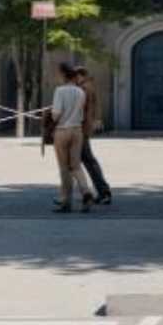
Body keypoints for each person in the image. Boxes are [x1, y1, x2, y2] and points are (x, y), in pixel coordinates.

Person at [50, 63, 95, 214]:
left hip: (62, 130)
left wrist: (50, 115)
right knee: (76, 166)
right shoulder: (80, 92)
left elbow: (56, 114)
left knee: (64, 168)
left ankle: (65, 201)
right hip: (77, 131)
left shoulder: (60, 91)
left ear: (63, 75)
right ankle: (86, 191)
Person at [74, 66, 111, 205]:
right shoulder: (89, 86)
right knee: (87, 160)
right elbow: (96, 106)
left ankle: (99, 193)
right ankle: (102, 192)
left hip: (81, 128)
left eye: (75, 77)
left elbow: (81, 108)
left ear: (80, 76)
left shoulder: (84, 88)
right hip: (84, 128)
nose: (74, 80)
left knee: (83, 161)